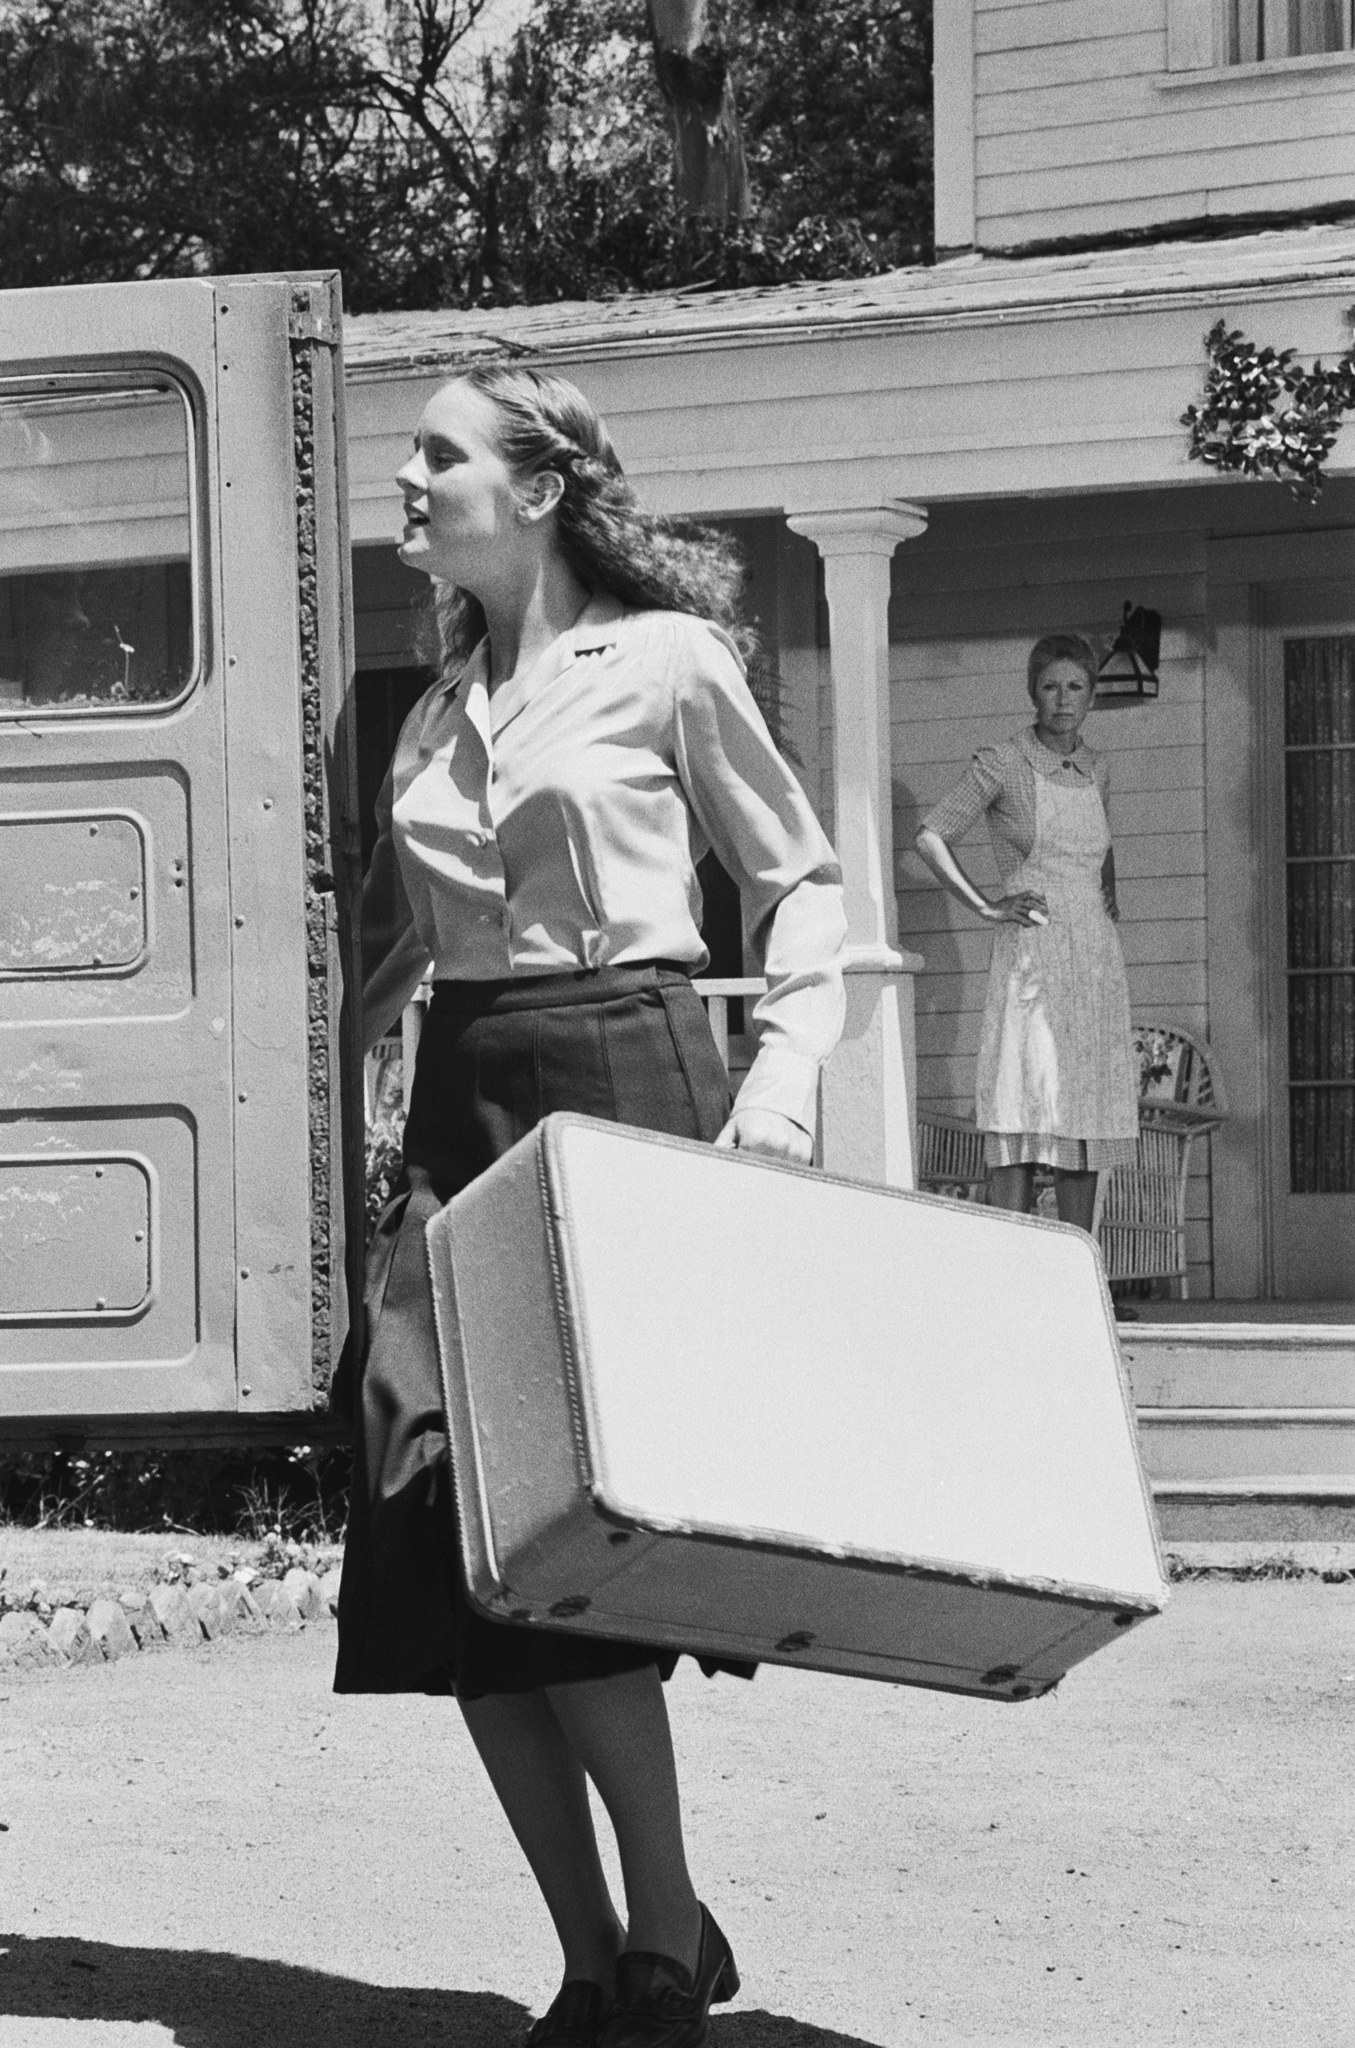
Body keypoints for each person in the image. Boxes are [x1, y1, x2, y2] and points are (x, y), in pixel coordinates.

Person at [334, 363, 847, 2048]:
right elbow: (392, 964)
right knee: (437, 1531)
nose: (404, 477)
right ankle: (596, 1944)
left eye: (438, 454)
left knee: (577, 1541)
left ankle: (654, 1932)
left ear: (539, 488)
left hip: (623, 1072)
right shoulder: (420, 708)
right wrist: (358, 1137)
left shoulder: (669, 664)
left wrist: (779, 1085)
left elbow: (796, 883)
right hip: (464, 1114)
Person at [913, 634, 1138, 1236]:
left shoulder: (1098, 767)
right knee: (1023, 1102)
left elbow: (1102, 848)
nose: (1063, 700)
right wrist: (989, 907)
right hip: (1033, 950)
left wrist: (1104, 899)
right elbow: (931, 835)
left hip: (1092, 954)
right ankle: (1008, 1265)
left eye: (1076, 686)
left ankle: (1075, 1261)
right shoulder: (1005, 761)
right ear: (1032, 692)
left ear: (1091, 693)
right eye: (1050, 686)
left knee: (1082, 1108)